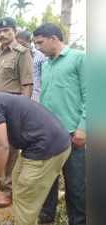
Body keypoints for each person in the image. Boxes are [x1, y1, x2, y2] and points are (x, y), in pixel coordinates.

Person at [0, 76, 71, 225]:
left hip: (47, 147)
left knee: (26, 192)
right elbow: (2, 143)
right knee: (17, 179)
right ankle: (20, 220)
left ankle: (24, 220)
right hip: (41, 144)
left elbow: (2, 146)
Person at [33, 23, 86, 225]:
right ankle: (46, 219)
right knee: (47, 182)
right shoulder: (45, 65)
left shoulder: (79, 59)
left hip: (73, 134)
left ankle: (79, 221)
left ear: (54, 38)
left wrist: (83, 126)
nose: (38, 47)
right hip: (49, 135)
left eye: (40, 42)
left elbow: (93, 94)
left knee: (76, 185)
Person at [0, 17, 34, 201]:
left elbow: (27, 85)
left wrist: (21, 113)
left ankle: (7, 189)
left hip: (11, 110)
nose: (2, 34)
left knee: (10, 149)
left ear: (14, 31)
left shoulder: (22, 53)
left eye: (6, 30)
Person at [16, 30, 46, 102]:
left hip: (35, 97)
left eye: (21, 43)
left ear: (29, 42)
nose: (18, 46)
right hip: (18, 95)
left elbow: (44, 78)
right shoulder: (15, 55)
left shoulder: (40, 56)